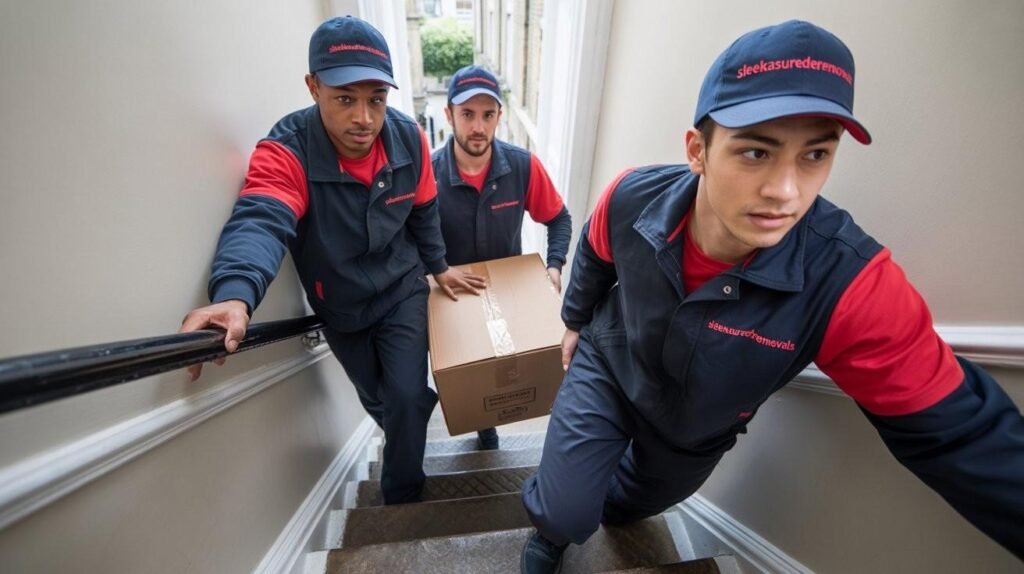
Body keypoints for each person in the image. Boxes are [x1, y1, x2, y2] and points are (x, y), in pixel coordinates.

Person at [519, 20, 1024, 572]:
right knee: (566, 512)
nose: (785, 191)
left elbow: (965, 433)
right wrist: (574, 320)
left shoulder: (848, 283)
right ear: (698, 150)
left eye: (815, 155)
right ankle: (554, 531)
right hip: (610, 369)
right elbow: (596, 254)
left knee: (627, 509)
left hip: (692, 433)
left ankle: (601, 498)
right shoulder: (630, 195)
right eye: (757, 152)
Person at [179, 16, 484, 505]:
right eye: (345, 99)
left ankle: (403, 496)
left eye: (376, 100)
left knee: (407, 395)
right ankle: (406, 426)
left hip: (402, 290)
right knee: (381, 399)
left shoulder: (409, 139)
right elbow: (261, 219)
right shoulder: (286, 151)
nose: (364, 118)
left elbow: (424, 210)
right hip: (341, 307)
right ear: (313, 86)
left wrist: (439, 267)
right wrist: (235, 294)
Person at [432, 65, 573, 450]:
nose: (478, 127)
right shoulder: (427, 174)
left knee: (500, 364)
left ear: (499, 116)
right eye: (467, 114)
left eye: (488, 115)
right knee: (463, 371)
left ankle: (487, 425)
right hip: (451, 294)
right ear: (448, 115)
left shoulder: (523, 166)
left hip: (506, 289)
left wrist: (554, 266)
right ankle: (475, 420)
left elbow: (558, 218)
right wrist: (434, 271)